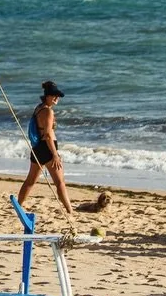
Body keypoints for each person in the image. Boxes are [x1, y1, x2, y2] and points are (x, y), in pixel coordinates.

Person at [16, 80, 108, 217]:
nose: (56, 98)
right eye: (54, 95)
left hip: (38, 148)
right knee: (60, 183)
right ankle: (70, 211)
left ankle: (18, 205)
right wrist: (55, 155)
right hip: (47, 149)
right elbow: (47, 135)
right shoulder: (48, 112)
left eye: (57, 96)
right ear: (47, 95)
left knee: (30, 181)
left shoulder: (39, 108)